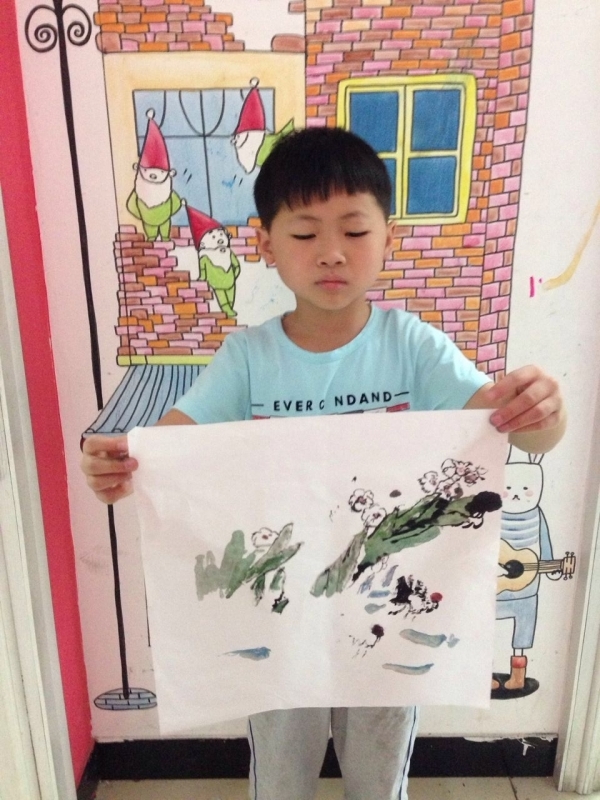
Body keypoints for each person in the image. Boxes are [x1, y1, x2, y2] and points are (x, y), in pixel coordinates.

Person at [82, 128, 566, 800]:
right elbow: (165, 452)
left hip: (389, 614)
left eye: (355, 230)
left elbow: (521, 434)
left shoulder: (414, 348)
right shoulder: (247, 359)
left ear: (388, 237)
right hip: (278, 619)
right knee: (281, 779)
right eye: (305, 233)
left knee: (378, 780)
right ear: (266, 246)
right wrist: (120, 464)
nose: (332, 252)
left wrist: (542, 411)